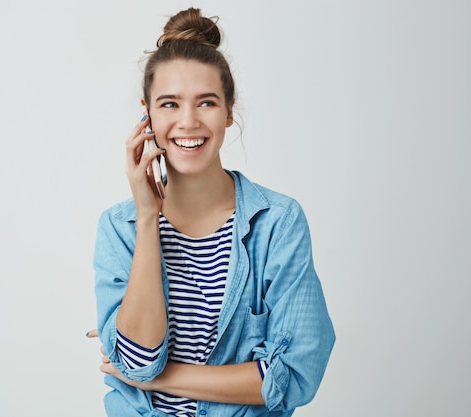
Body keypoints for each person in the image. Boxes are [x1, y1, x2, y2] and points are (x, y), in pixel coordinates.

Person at [88, 7, 335, 417]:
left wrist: (161, 377)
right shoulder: (120, 228)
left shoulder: (278, 223)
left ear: (229, 111)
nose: (188, 122)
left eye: (206, 102)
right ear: (146, 112)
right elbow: (138, 359)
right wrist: (149, 218)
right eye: (169, 104)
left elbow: (293, 375)